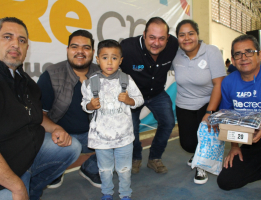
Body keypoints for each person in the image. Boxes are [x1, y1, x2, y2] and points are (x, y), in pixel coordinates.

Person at [0, 17, 81, 200]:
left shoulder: (21, 77)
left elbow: (35, 114)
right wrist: (17, 187)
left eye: (22, 40)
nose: (15, 44)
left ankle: (32, 191)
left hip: (23, 156)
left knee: (71, 146)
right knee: (9, 195)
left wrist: (56, 128)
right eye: (7, 37)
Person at [217, 34, 261, 190]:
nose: (243, 57)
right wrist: (234, 146)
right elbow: (228, 118)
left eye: (249, 52)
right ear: (232, 61)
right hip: (252, 140)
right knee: (226, 181)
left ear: (259, 55)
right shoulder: (228, 83)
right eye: (238, 54)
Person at [37, 30, 101, 188]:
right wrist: (56, 129)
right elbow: (38, 115)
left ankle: (90, 169)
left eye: (86, 47)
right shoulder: (51, 75)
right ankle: (54, 170)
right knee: (72, 146)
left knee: (124, 135)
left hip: (91, 135)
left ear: (93, 52)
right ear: (67, 50)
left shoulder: (102, 74)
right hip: (59, 135)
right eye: (75, 47)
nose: (80, 51)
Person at [81, 39, 144, 200]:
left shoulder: (127, 80)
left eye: (114, 58)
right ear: (97, 59)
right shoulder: (90, 82)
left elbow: (139, 99)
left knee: (124, 169)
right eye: (105, 57)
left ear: (121, 60)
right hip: (101, 138)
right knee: (105, 169)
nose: (109, 62)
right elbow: (83, 104)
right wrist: (90, 105)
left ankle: (125, 194)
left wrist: (130, 100)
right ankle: (107, 193)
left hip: (124, 137)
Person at [120, 17, 178, 174]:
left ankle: (154, 158)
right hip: (133, 96)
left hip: (157, 93)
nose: (156, 43)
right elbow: (109, 66)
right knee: (131, 129)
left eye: (161, 38)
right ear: (144, 34)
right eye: (152, 37)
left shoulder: (173, 45)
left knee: (168, 122)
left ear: (168, 38)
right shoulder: (127, 48)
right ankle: (135, 158)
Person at [172, 19, 226, 184]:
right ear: (177, 38)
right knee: (187, 144)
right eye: (182, 35)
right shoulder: (175, 54)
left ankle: (202, 166)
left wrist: (210, 111)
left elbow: (219, 83)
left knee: (205, 139)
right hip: (184, 104)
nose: (187, 38)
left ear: (197, 35)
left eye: (191, 33)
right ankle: (196, 154)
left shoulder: (211, 51)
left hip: (208, 102)